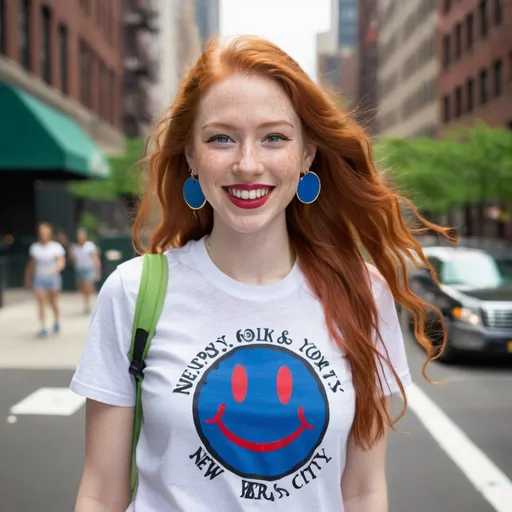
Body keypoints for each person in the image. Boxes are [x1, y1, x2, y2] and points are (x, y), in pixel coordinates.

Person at [70, 36, 452, 512]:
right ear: (190, 156)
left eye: (274, 137)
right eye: (220, 138)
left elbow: (363, 490)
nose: (247, 164)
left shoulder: (363, 292)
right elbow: (100, 492)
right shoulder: (133, 292)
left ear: (307, 155)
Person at [24, 222, 66, 337]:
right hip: (39, 278)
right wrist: (28, 278)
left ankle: (56, 320)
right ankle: (43, 326)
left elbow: (61, 261)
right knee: (41, 302)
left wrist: (56, 268)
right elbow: (31, 264)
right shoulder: (35, 248)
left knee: (53, 302)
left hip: (52, 278)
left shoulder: (56, 247)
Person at [70, 228, 101, 314]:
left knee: (88, 286)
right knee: (82, 288)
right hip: (79, 269)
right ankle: (87, 301)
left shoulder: (90, 246)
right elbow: (73, 260)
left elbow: (95, 258)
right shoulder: (75, 247)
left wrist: (96, 270)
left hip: (88, 269)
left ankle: (89, 304)